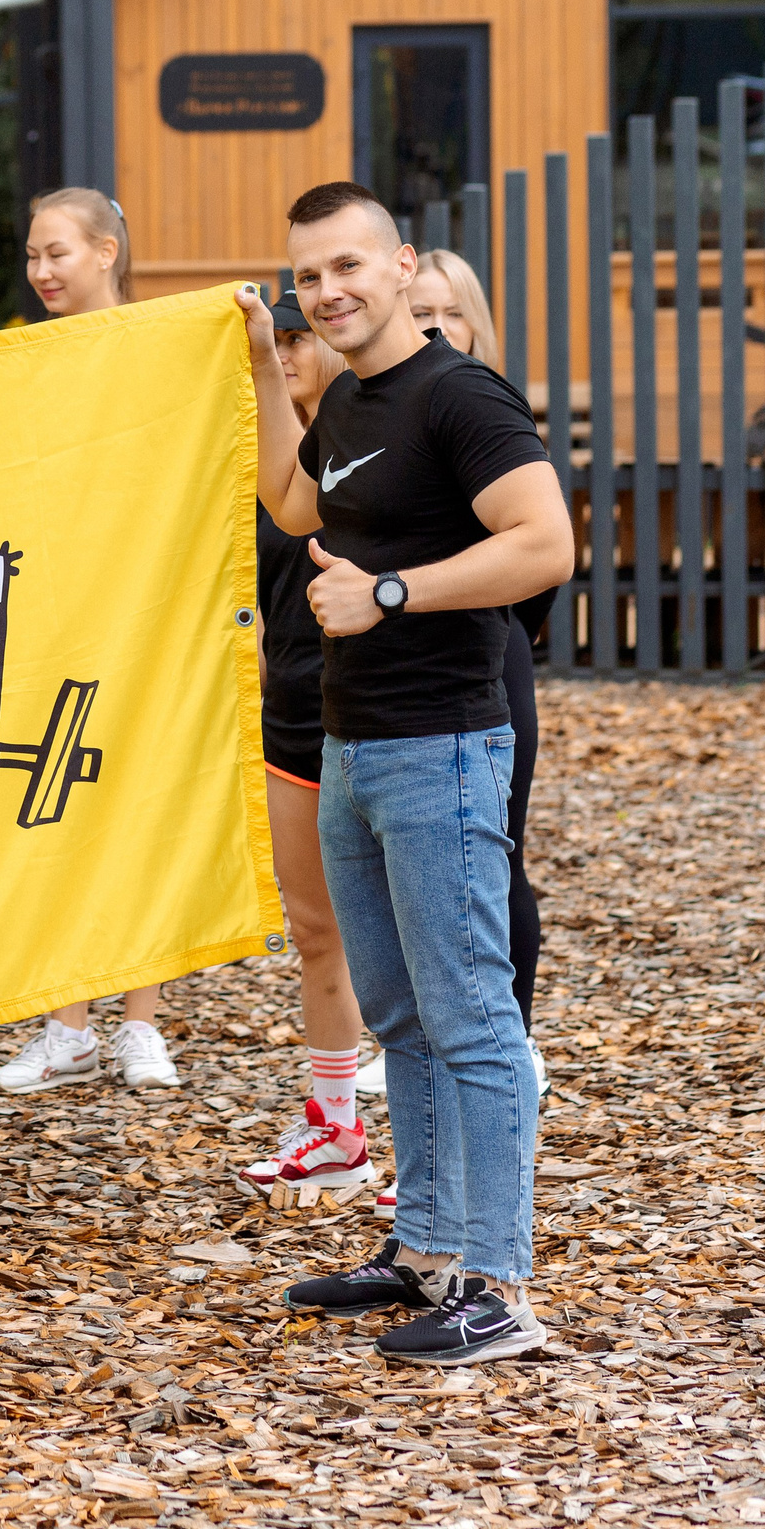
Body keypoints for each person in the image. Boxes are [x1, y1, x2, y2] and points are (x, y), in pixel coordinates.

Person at [254, 182, 573, 1366]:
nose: (327, 291)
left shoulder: (457, 395)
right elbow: (291, 503)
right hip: (353, 746)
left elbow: (545, 543)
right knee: (399, 1016)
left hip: (441, 742)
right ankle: (427, 1247)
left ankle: (498, 1284)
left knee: (470, 1015)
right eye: (307, 278)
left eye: (347, 267)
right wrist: (255, 357)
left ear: (399, 269)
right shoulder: (347, 398)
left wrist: (389, 592)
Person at [0, 186, 179, 1093]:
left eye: (57, 252)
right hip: (48, 612)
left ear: (108, 252)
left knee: (137, 812)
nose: (41, 271)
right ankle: (66, 1021)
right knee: (53, 804)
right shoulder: (25, 360)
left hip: (138, 610)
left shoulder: (159, 349)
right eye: (32, 256)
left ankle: (141, 1022)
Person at [396, 249, 551, 1103]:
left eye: (445, 312)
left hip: (488, 656)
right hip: (396, 677)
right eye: (415, 309)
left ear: (472, 323)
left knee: (495, 855)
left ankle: (512, 1044)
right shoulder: (380, 410)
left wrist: (505, 627)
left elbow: (544, 552)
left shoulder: (480, 405)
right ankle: (429, 1049)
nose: (429, 326)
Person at [239, 290, 374, 1197]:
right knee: (316, 927)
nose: (287, 352)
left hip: (385, 710)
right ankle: (337, 1130)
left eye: (298, 337)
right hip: (291, 707)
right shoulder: (252, 451)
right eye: (274, 339)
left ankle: (446, 1154)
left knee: (406, 939)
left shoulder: (374, 435)